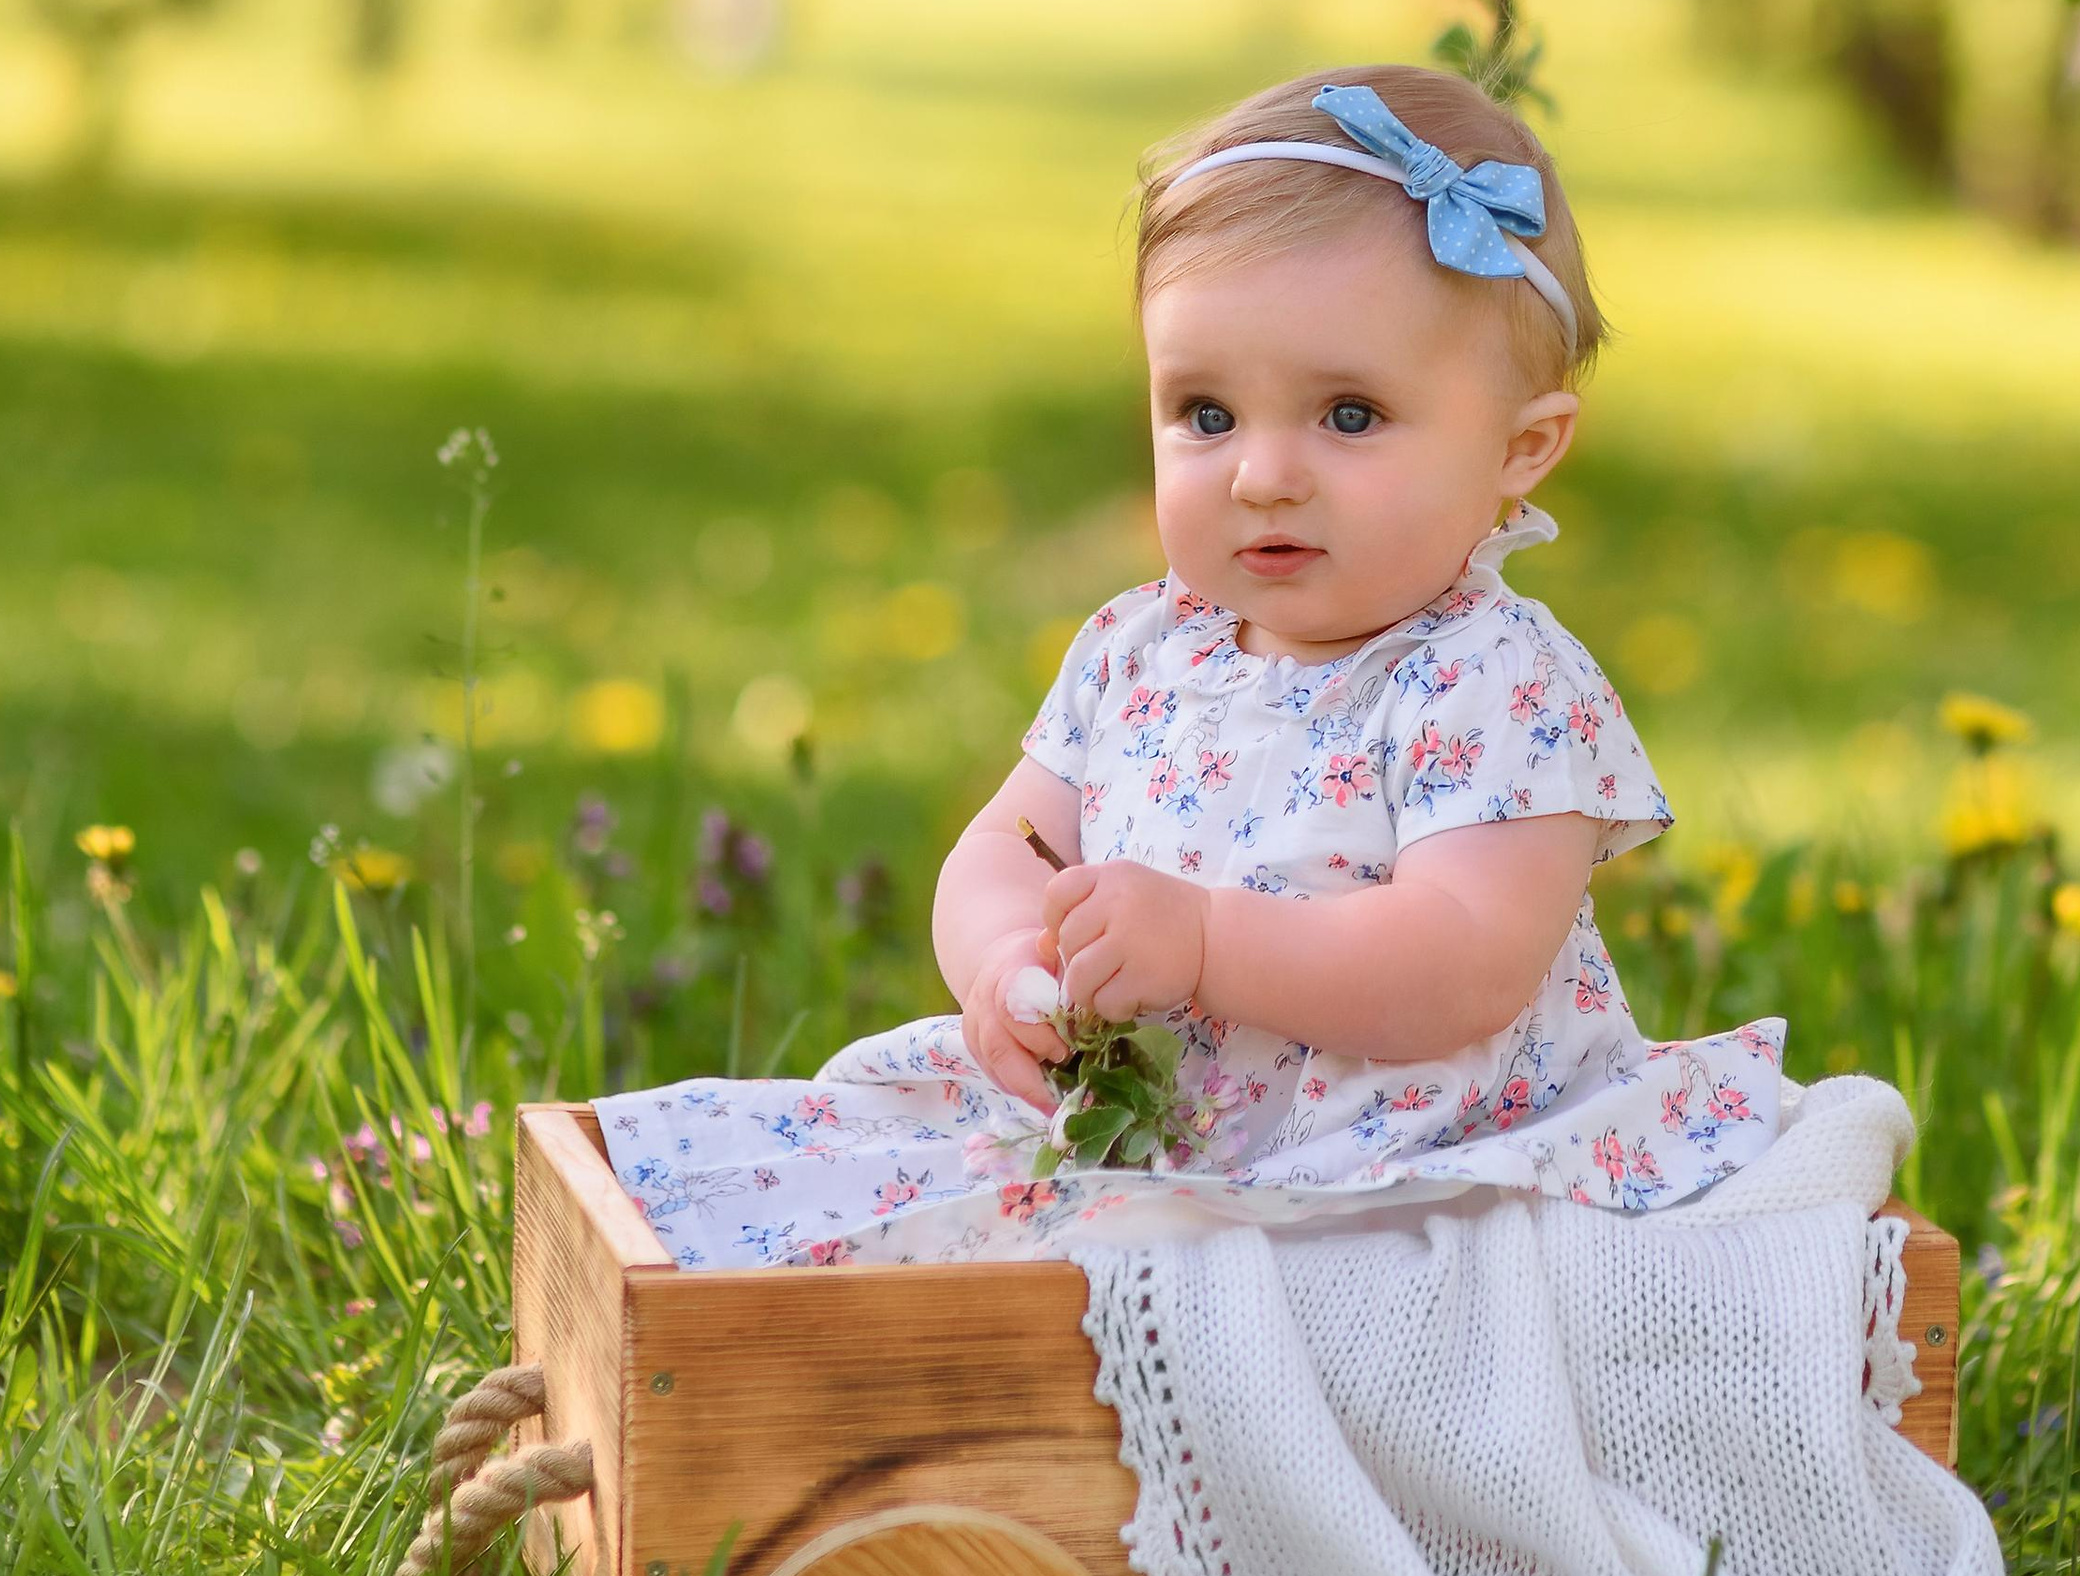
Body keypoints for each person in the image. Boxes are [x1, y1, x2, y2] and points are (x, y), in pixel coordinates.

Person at [597, 65, 1783, 1267]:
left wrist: (1211, 945)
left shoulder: (1496, 684)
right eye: (1206, 415)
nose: (1261, 474)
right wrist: (1009, 963)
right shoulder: (1141, 646)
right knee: (846, 1185)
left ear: (1520, 449)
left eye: (1350, 416)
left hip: (1403, 1168)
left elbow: (1461, 962)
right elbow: (1006, 846)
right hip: (1145, 1124)